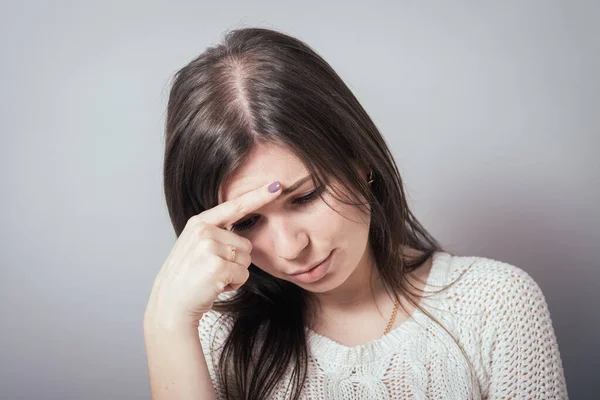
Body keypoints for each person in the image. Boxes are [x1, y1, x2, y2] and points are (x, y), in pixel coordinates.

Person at [143, 27, 568, 400]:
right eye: (248, 221)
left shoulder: (496, 306)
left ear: (360, 161)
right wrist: (165, 323)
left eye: (305, 197)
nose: (291, 248)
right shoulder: (211, 335)